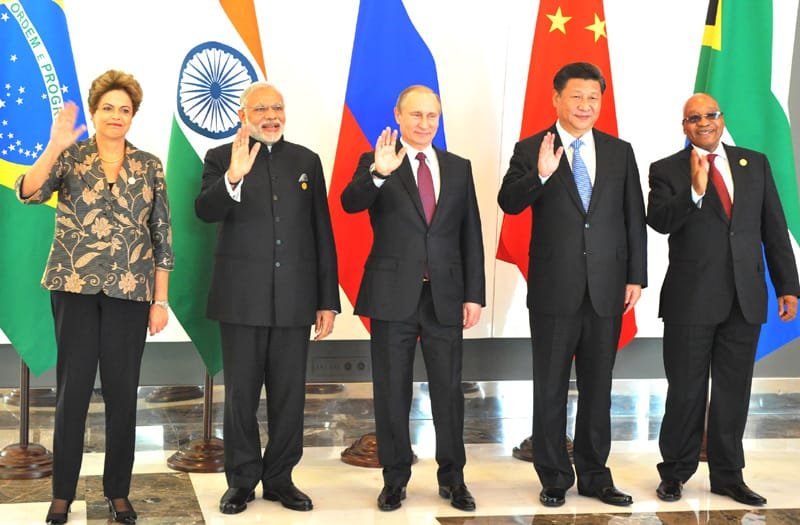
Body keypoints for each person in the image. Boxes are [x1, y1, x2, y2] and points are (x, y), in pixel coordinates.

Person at [16, 70, 173, 525]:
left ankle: (118, 494)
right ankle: (62, 494)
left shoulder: (149, 165)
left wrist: (158, 301)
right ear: (94, 111)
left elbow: (162, 236)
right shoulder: (71, 157)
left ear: (133, 116)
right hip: (74, 289)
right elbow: (28, 193)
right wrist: (54, 146)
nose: (116, 116)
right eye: (108, 108)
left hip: (130, 293)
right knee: (73, 393)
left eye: (125, 109)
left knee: (123, 395)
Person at [497, 62, 647, 508]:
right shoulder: (531, 148)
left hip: (607, 287)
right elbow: (509, 201)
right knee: (551, 387)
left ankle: (596, 476)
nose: (585, 105)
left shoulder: (619, 151)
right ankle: (554, 477)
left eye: (593, 98)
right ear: (556, 98)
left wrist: (635, 275)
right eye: (576, 97)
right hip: (554, 289)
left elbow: (632, 218)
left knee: (599, 387)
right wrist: (541, 174)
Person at [647, 93, 799, 506]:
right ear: (684, 126)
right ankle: (675, 473)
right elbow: (659, 222)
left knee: (734, 391)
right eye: (693, 118)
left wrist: (788, 285)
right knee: (686, 391)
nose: (703, 123)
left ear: (721, 118)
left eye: (710, 115)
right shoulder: (666, 170)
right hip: (690, 301)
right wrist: (694, 192)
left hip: (745, 298)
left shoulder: (754, 163)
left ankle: (729, 476)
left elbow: (774, 227)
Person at [195, 81, 340, 515]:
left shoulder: (306, 161)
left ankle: (280, 479)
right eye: (261, 108)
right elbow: (205, 210)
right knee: (240, 396)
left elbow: (321, 233)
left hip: (295, 301)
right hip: (241, 301)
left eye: (278, 107)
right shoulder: (221, 157)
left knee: (289, 396)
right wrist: (233, 176)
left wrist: (326, 300)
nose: (271, 115)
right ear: (243, 115)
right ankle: (241, 481)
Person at [341, 85, 485, 512]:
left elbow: (469, 234)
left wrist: (473, 294)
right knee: (391, 392)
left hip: (445, 295)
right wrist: (380, 174)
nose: (425, 124)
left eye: (432, 116)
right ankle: (395, 478)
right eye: (416, 115)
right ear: (398, 117)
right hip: (391, 295)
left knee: (448, 392)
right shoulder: (376, 160)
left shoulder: (458, 167)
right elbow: (350, 203)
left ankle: (453, 478)